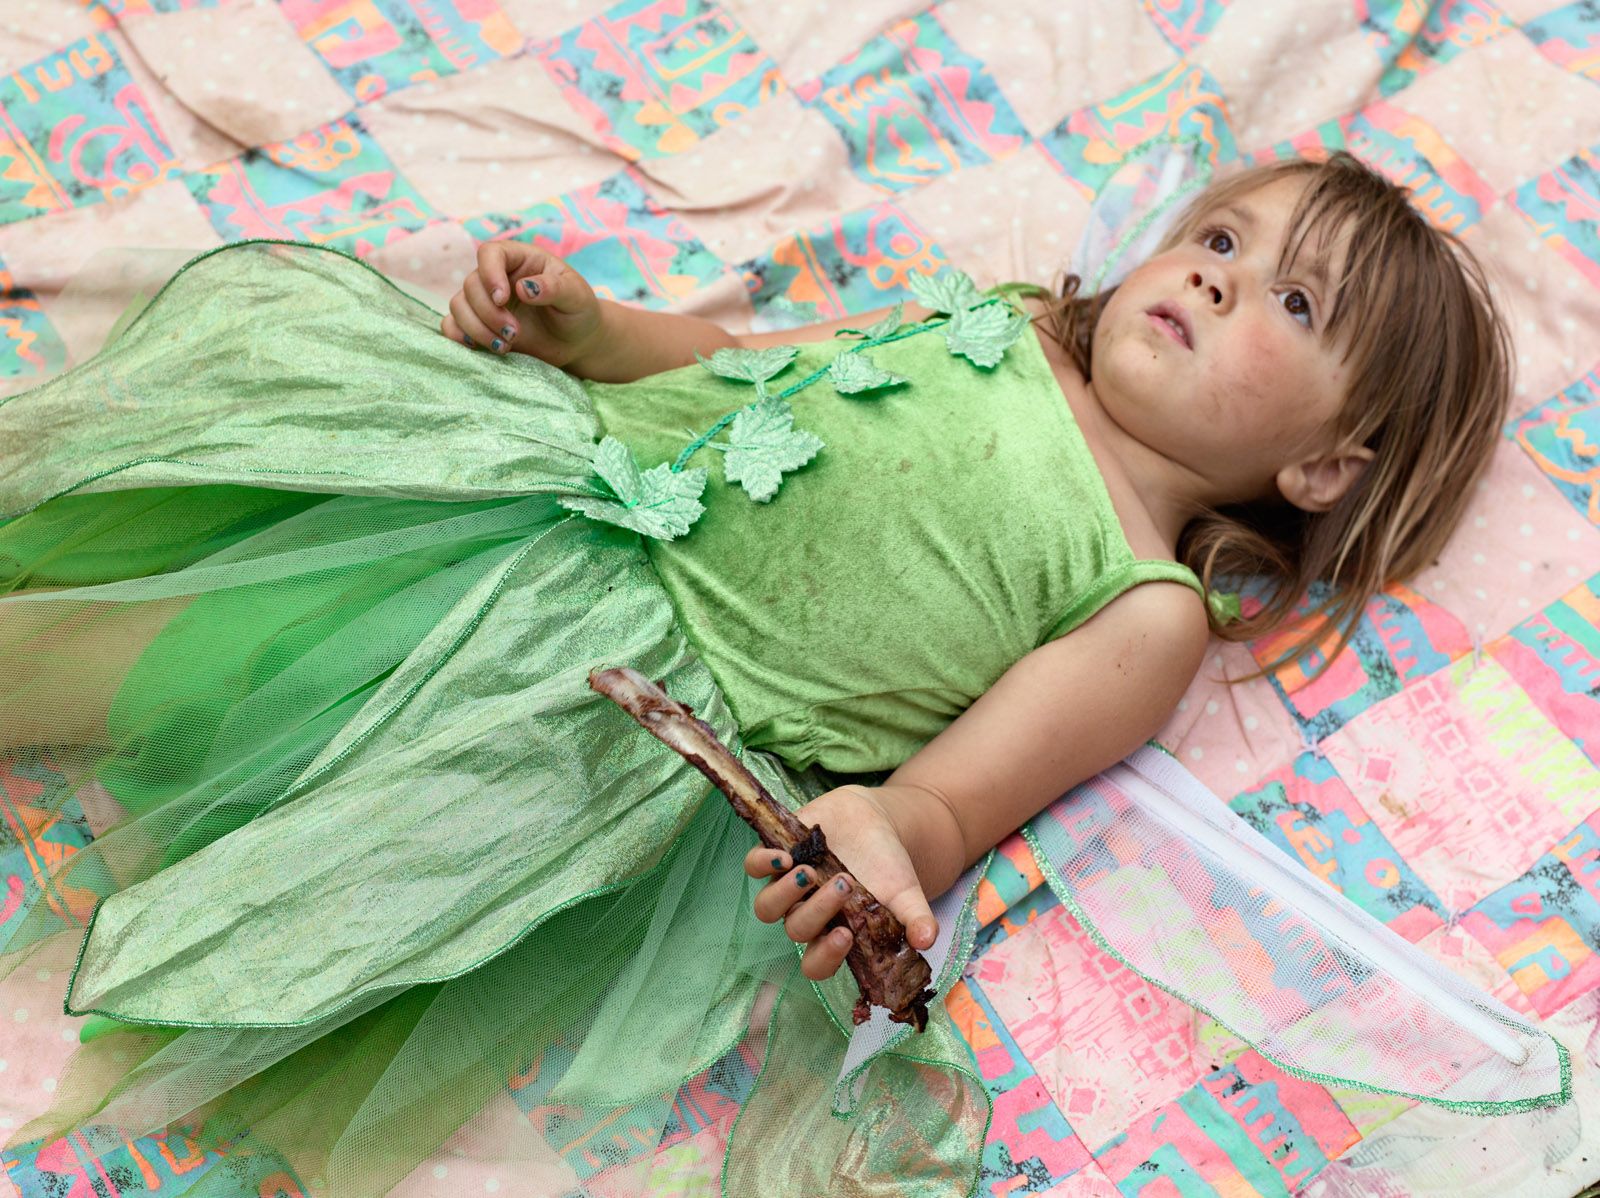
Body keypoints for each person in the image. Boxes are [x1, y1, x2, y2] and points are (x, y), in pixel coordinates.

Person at [0, 149, 1510, 1196]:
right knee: (217, 599)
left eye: (1294, 305)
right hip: (551, 496)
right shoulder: (994, 319)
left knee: (332, 800)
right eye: (1224, 240)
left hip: (609, 694)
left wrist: (880, 840)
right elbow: (744, 361)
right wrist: (589, 331)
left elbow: (947, 801)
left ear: (1320, 466)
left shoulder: (1145, 606)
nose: (1219, 277)